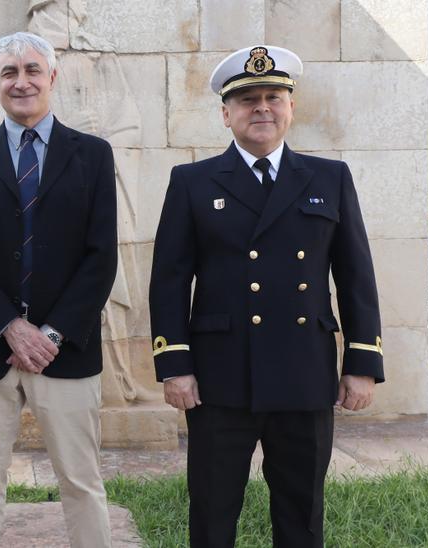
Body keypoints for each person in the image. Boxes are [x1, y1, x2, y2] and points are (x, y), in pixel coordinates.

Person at [148, 44, 385, 547]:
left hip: (304, 372)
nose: (262, 108)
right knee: (212, 509)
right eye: (248, 99)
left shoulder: (329, 178)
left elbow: (355, 274)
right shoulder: (192, 182)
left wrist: (362, 362)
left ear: (291, 108)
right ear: (226, 113)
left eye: (273, 97)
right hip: (218, 377)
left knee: (301, 512)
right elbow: (169, 278)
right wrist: (174, 364)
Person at [0, 31, 117, 548]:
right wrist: (11, 327)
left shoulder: (93, 156)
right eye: (9, 73)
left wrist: (52, 333)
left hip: (67, 351)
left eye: (33, 70)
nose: (22, 82)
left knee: (82, 483)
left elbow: (100, 256)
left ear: (52, 77)